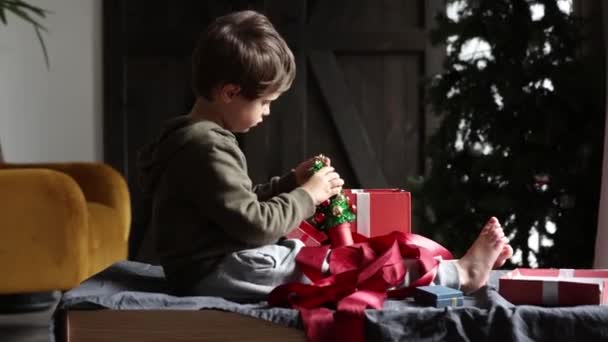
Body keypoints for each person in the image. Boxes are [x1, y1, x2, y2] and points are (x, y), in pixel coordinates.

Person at [137, 10, 513, 301]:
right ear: (230, 92)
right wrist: (309, 195)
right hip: (218, 272)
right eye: (265, 102)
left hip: (212, 266)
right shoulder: (207, 145)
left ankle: (446, 269)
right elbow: (253, 225)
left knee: (322, 259)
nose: (267, 113)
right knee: (338, 271)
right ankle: (459, 275)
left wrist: (290, 183)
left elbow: (233, 206)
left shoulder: (192, 138)